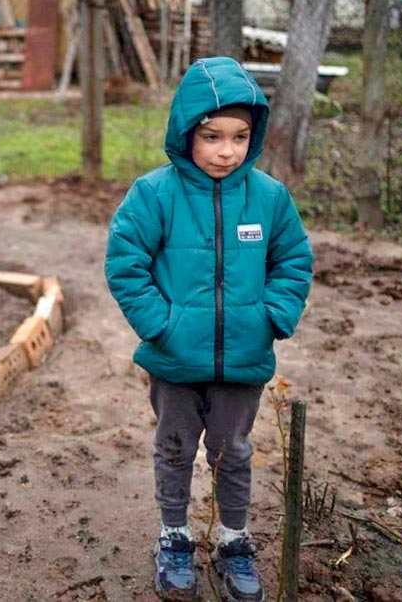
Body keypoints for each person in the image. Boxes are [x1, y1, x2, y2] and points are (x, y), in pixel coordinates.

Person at [104, 57, 313, 602]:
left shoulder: (269, 199)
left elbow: (293, 261)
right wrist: (161, 325)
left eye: (240, 137)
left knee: (233, 450)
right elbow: (125, 263)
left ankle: (233, 542)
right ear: (185, 133)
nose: (227, 150)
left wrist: (271, 318)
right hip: (175, 360)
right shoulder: (155, 194)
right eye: (212, 136)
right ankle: (174, 538)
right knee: (174, 446)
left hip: (243, 361)